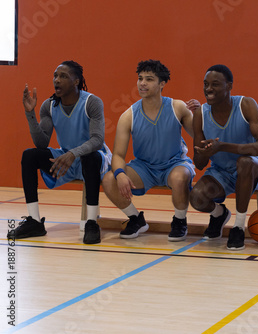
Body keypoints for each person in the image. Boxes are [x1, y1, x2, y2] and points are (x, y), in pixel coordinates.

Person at [7, 60, 111, 244]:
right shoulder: (49, 105)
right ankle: (35, 222)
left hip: (94, 158)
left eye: (63, 76)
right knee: (30, 155)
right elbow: (41, 143)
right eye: (55, 76)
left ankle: (92, 223)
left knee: (90, 157)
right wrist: (30, 113)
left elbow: (97, 140)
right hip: (65, 157)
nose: (57, 80)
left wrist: (73, 153)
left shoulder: (92, 102)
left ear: (76, 81)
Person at [102, 59, 195, 241]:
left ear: (162, 84)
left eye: (149, 79)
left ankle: (179, 221)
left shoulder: (178, 107)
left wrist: (198, 115)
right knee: (108, 179)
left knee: (179, 177)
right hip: (144, 167)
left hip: (175, 163)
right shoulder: (128, 115)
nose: (142, 83)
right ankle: (136, 219)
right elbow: (119, 155)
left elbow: (200, 136)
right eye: (140, 78)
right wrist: (120, 173)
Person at [188, 64, 258, 250]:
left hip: (253, 168)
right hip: (222, 172)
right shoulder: (200, 114)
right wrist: (204, 152)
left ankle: (238, 227)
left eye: (215, 84)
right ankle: (219, 214)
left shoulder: (246, 105)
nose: (209, 89)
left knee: (244, 162)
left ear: (229, 86)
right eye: (206, 84)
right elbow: (200, 164)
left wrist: (223, 147)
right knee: (196, 198)